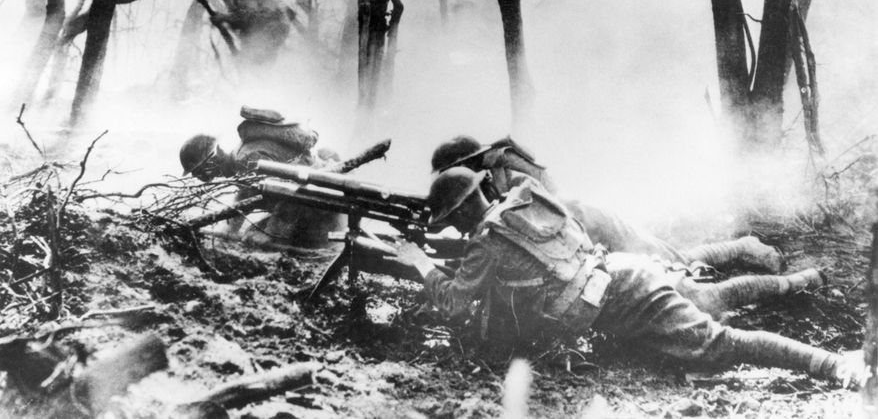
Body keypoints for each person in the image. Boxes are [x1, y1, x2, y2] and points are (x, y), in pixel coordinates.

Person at [394, 168, 863, 386]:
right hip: (616, 280)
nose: (453, 228)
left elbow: (456, 305)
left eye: (451, 220)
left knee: (715, 342)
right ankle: (802, 287)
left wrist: (417, 261)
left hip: (621, 295)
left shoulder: (487, 241)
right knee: (706, 314)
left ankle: (836, 365)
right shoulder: (520, 206)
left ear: (459, 213)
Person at [430, 135, 784, 274]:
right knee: (669, 262)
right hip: (575, 240)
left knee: (672, 261)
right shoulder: (482, 186)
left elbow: (548, 195)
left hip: (589, 222)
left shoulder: (503, 164)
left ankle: (745, 247)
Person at [179, 106, 342, 246]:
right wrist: (230, 229)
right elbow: (246, 195)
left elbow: (291, 191)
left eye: (200, 172)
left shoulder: (247, 160)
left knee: (255, 241)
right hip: (314, 204)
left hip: (322, 209)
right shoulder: (241, 159)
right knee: (249, 236)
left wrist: (270, 233)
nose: (203, 178)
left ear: (212, 159)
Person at [195, 0, 293, 67]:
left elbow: (248, 14)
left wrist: (223, 18)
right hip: (270, 25)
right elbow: (243, 18)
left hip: (272, 24)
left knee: (254, 65)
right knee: (253, 65)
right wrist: (223, 20)